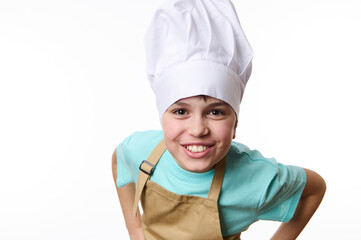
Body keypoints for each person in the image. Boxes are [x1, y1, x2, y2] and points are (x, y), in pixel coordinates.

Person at [112, 0, 326, 239]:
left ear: (235, 124)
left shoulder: (256, 179)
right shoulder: (142, 149)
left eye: (215, 112)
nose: (197, 129)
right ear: (162, 118)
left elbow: (314, 189)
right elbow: (119, 158)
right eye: (181, 111)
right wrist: (135, 228)